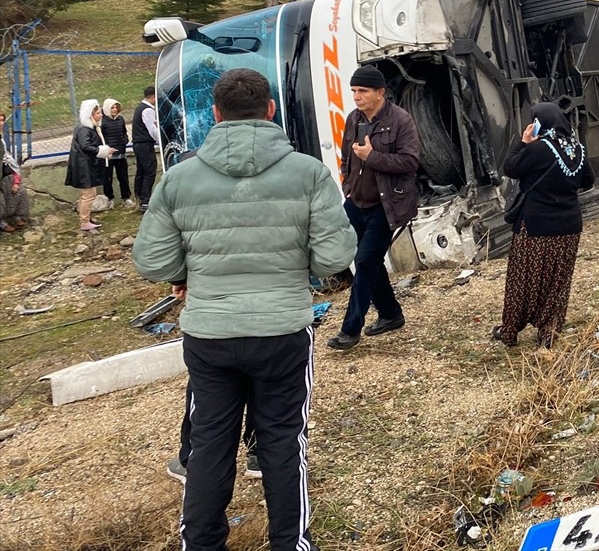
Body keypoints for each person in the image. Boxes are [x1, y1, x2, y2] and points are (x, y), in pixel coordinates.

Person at [133, 68, 355, 550]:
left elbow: (151, 258)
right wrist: (305, 266)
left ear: (216, 115)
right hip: (282, 330)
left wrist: (184, 274)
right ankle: (289, 542)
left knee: (209, 443)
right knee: (281, 441)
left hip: (210, 334)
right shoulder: (308, 172)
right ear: (269, 110)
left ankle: (202, 542)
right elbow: (335, 256)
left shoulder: (180, 178)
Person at [327, 65, 421, 351]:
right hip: (356, 202)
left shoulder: (401, 120)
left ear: (380, 92)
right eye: (354, 91)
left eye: (363, 91)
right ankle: (391, 313)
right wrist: (347, 188)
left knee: (366, 261)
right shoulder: (353, 119)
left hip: (386, 205)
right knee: (369, 261)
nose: (356, 97)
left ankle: (350, 330)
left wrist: (373, 156)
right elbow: (346, 158)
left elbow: (410, 163)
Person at [494, 102, 596, 349]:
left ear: (538, 123)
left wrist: (524, 141)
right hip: (569, 227)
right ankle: (549, 333)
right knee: (558, 281)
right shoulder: (578, 150)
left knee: (523, 279)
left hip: (536, 227)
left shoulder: (538, 149)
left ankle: (510, 331)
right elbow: (589, 181)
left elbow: (509, 167)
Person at [65, 99, 113, 233]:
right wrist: (103, 151)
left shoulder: (87, 128)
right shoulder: (84, 129)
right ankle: (84, 222)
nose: (101, 115)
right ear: (90, 115)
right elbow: (86, 146)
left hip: (85, 166)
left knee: (88, 194)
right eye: (98, 113)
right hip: (83, 167)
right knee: (88, 195)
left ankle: (86, 219)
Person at [99, 99, 134, 209]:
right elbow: (100, 138)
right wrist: (107, 148)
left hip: (121, 154)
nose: (114, 110)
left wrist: (124, 141)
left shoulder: (120, 119)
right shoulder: (102, 121)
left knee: (123, 177)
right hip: (108, 156)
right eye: (112, 107)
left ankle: (126, 198)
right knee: (107, 178)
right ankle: (109, 199)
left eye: (116, 107)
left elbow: (124, 133)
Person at [132, 85, 159, 212]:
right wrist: (160, 140)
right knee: (149, 171)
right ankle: (145, 199)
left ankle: (139, 197)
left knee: (141, 171)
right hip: (144, 144)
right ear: (152, 97)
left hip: (139, 144)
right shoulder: (148, 110)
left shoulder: (140, 108)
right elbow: (152, 130)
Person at [1, 114, 30, 232]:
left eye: (2, 120)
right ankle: (1, 223)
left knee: (19, 191)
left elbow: (9, 161)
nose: (1, 123)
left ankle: (18, 217)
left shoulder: (1, 140)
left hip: (4, 173)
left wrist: (16, 181)